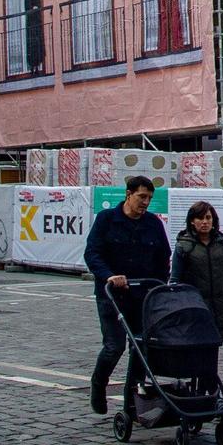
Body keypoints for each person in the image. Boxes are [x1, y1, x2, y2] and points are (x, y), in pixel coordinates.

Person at [82, 175, 171, 415]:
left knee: (141, 346)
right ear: (128, 194)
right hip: (113, 295)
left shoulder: (153, 223)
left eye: (150, 198)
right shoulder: (107, 220)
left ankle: (131, 395)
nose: (145, 202)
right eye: (142, 197)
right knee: (114, 346)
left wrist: (160, 286)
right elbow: (92, 254)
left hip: (143, 296)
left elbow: (163, 257)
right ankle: (98, 384)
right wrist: (109, 275)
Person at [171, 200, 223, 343]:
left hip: (220, 308)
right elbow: (175, 281)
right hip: (195, 308)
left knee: (214, 346)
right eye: (200, 218)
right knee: (196, 346)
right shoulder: (183, 247)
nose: (205, 222)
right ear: (192, 221)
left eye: (208, 218)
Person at [22, 0, 56, 77]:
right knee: (32, 44)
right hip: (31, 21)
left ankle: (37, 66)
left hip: (38, 19)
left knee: (38, 43)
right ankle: (32, 67)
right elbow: (27, 5)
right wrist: (33, 7)